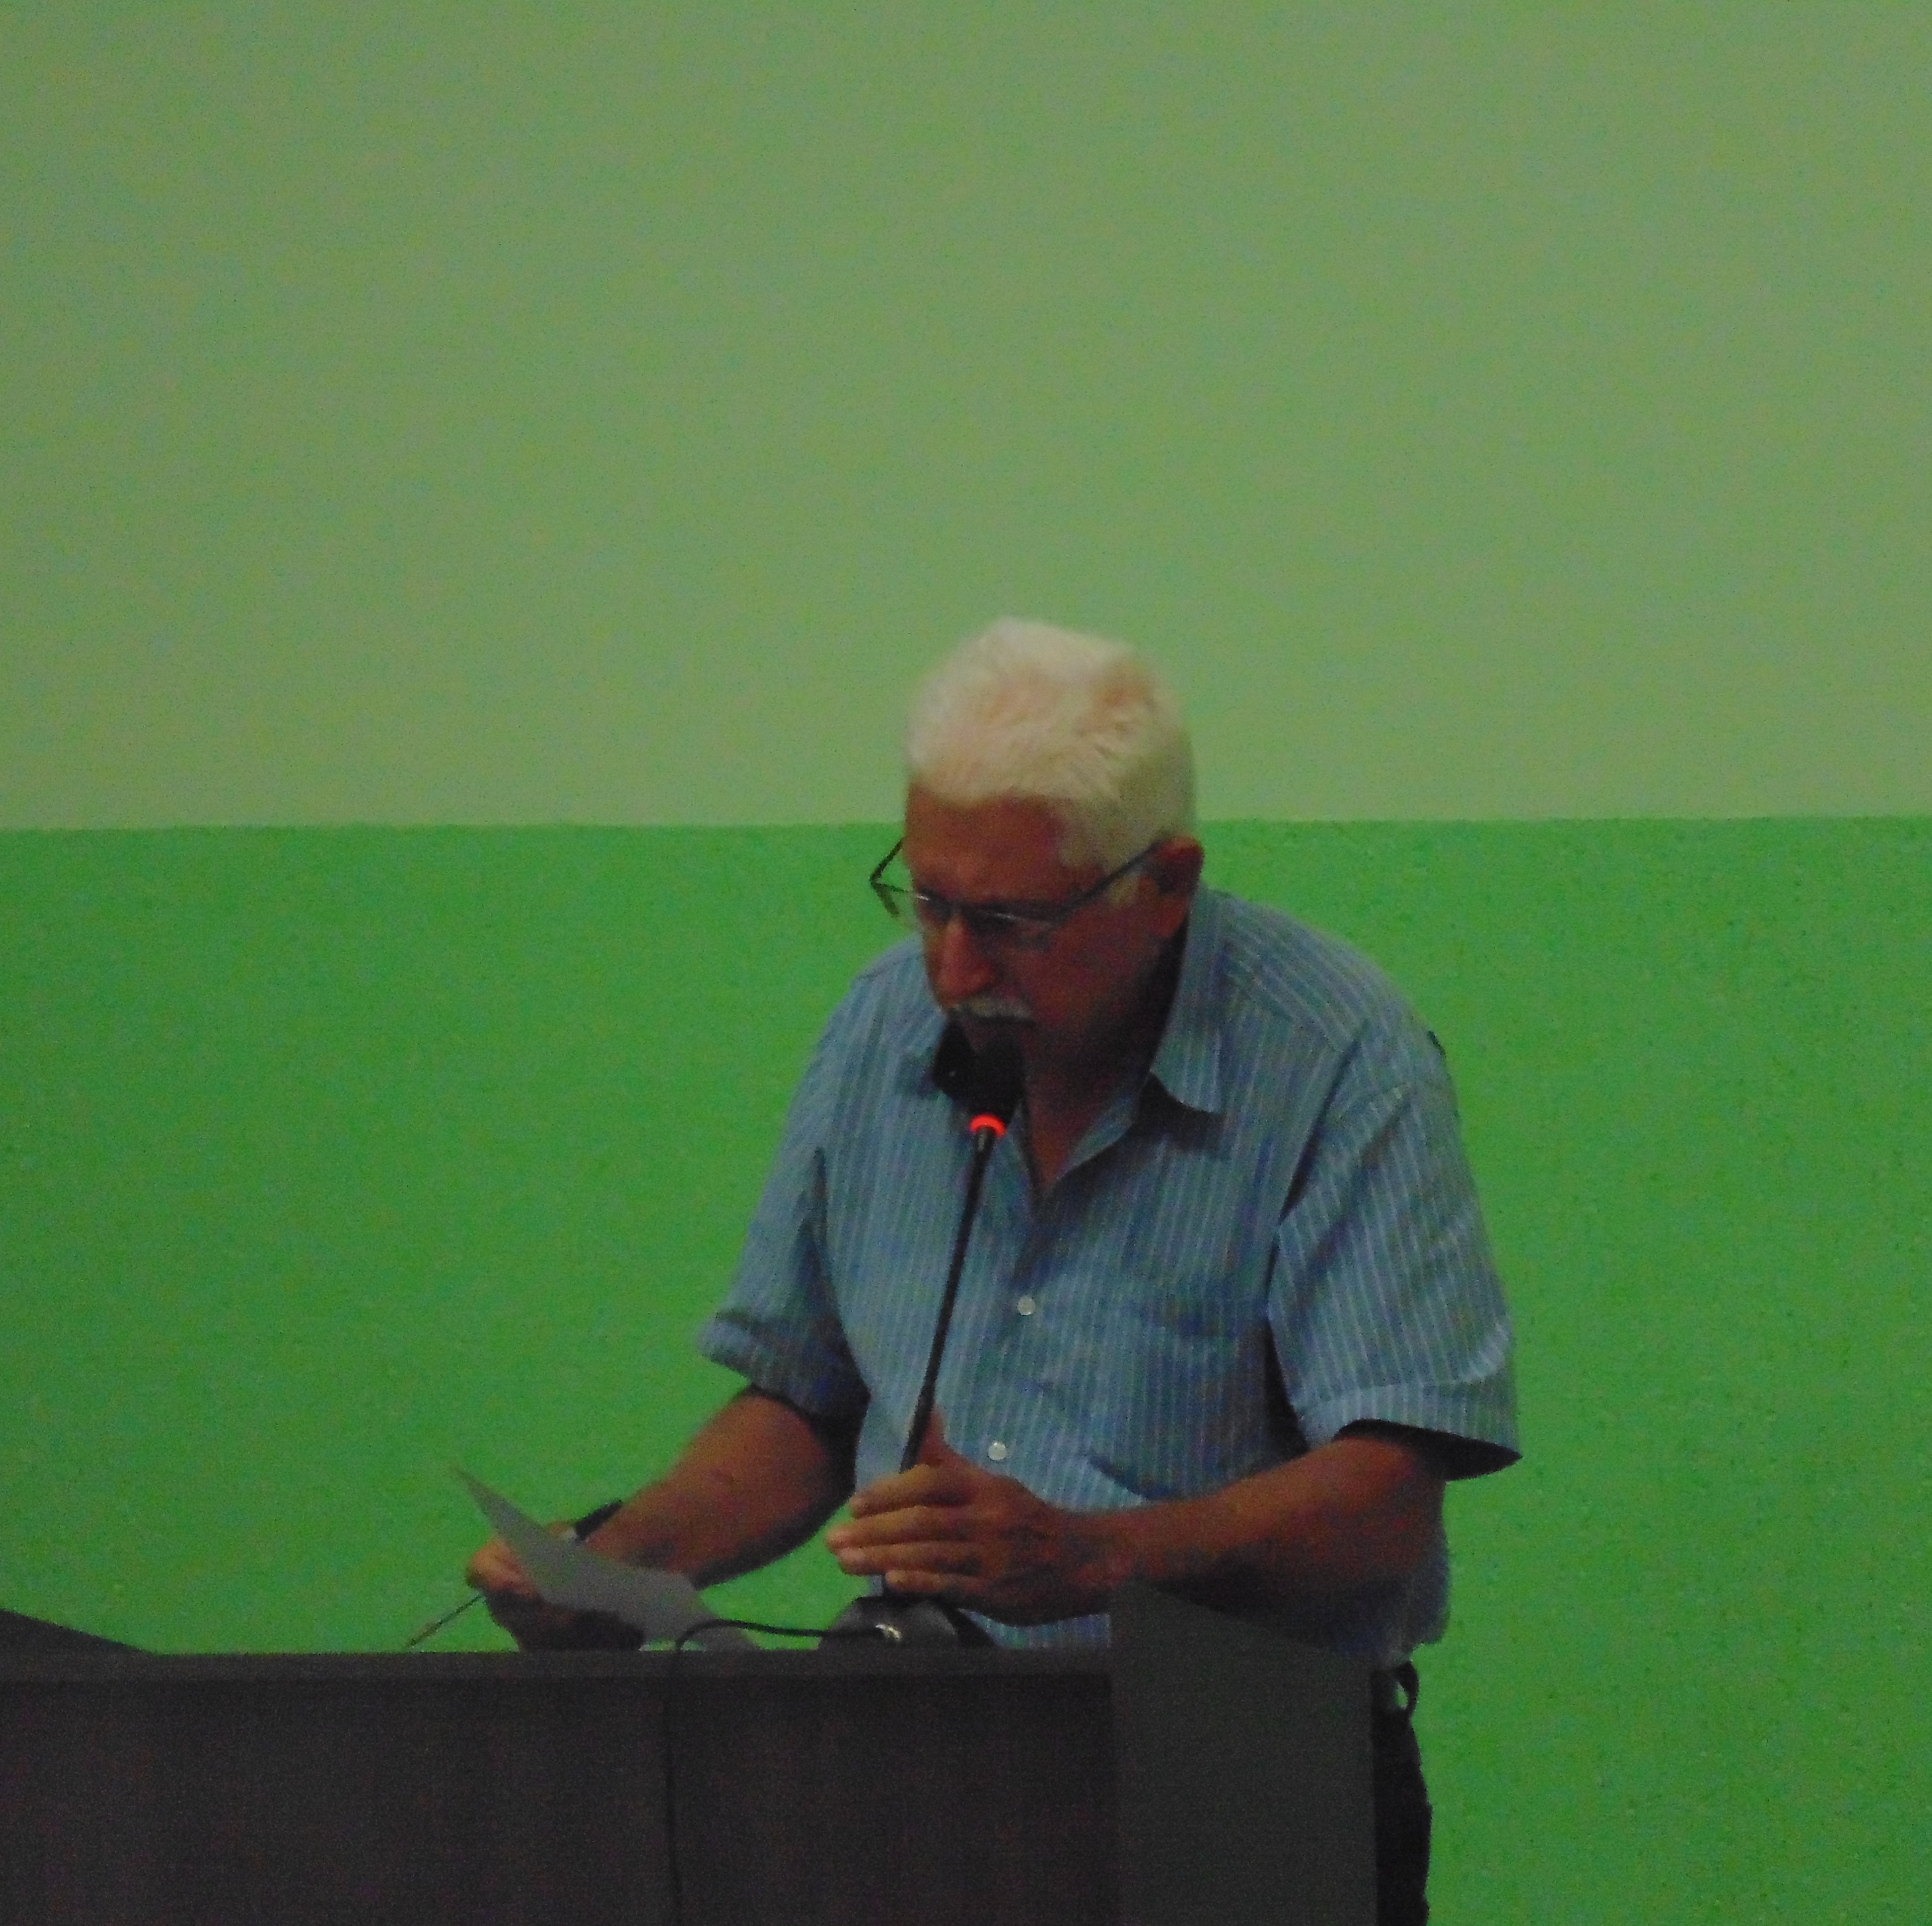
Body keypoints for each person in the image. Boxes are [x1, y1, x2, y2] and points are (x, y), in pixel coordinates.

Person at [470, 618, 1519, 1923]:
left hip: (1242, 1786)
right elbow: (805, 1403)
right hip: (911, 1779)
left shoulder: (1337, 1058)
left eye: (1013, 922)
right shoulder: (879, 1031)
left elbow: (1385, 1500)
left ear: (1167, 882)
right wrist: (621, 1565)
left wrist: (1097, 1558)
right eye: (929, 902)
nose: (955, 969)